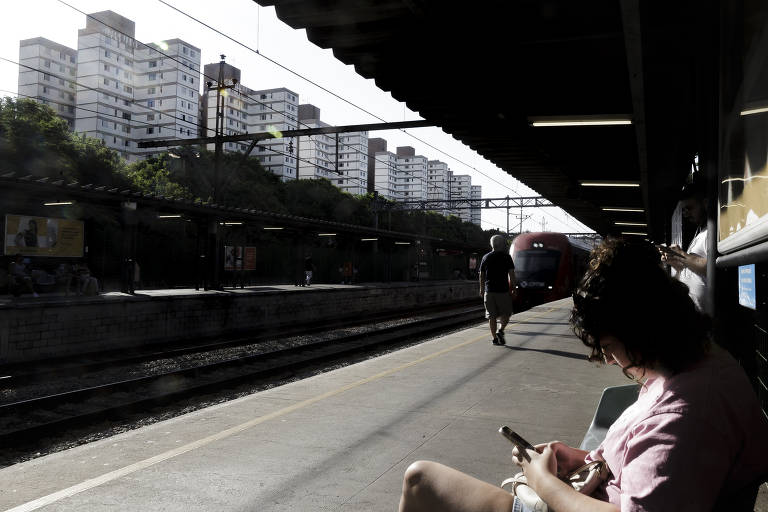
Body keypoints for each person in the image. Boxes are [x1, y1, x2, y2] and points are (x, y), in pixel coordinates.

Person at [399, 238, 768, 512]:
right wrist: (582, 458)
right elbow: (647, 461)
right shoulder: (700, 365)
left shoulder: (684, 416)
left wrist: (543, 482)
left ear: (644, 332)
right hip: (594, 488)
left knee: (420, 478)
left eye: (608, 346)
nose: (608, 360)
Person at [660, 182, 708, 312]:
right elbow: (696, 269)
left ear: (705, 203)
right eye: (684, 210)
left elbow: (711, 267)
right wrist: (676, 263)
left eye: (690, 208)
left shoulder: (712, 232)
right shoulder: (700, 232)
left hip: (705, 315)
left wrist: (681, 255)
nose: (686, 214)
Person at [479, 234, 516, 345]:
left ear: (492, 244)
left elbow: (481, 275)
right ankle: (500, 330)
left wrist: (481, 289)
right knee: (506, 313)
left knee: (492, 316)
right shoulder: (507, 257)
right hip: (502, 291)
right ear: (501, 245)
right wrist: (514, 288)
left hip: (489, 291)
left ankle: (494, 338)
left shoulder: (486, 257)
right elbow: (512, 274)